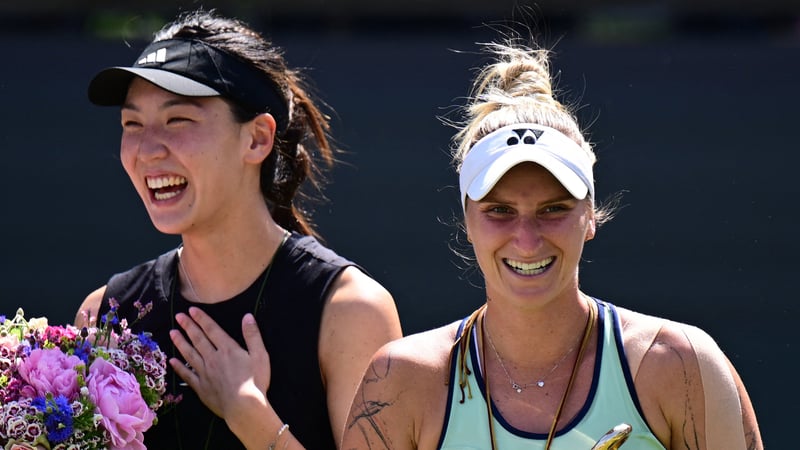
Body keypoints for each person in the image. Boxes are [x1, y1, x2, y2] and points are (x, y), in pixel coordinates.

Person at [340, 37, 763, 450]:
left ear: (591, 217)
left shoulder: (682, 365)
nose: (527, 241)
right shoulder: (401, 380)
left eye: (553, 209)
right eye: (500, 211)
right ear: (467, 222)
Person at [74, 9, 402, 450]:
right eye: (132, 124)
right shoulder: (103, 314)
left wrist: (249, 415)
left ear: (257, 139)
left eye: (178, 120)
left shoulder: (352, 312)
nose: (147, 150)